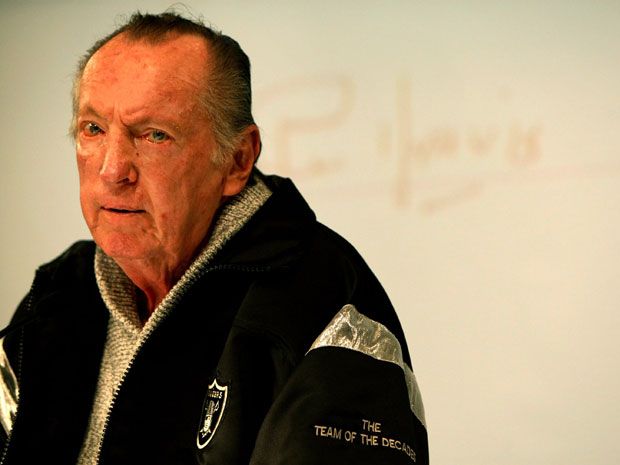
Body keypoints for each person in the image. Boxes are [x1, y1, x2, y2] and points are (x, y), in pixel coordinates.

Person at [0, 11, 428, 465]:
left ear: (237, 160)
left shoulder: (326, 305)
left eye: (154, 135)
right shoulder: (58, 294)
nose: (111, 170)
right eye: (93, 130)